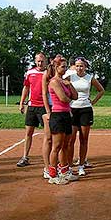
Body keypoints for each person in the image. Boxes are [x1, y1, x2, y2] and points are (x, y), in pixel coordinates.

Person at [68, 57, 105, 176]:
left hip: (85, 110)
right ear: (74, 66)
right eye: (77, 65)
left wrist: (92, 102)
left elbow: (101, 90)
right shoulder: (70, 77)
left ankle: (81, 165)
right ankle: (68, 166)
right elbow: (61, 86)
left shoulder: (90, 78)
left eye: (81, 66)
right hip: (72, 109)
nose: (79, 68)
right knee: (71, 140)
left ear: (85, 67)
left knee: (83, 139)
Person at [46, 56, 78, 185]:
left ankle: (64, 172)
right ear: (56, 67)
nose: (65, 69)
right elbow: (63, 99)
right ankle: (52, 175)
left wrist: (69, 84)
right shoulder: (54, 82)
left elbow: (75, 96)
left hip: (66, 115)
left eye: (66, 66)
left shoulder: (64, 81)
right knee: (56, 146)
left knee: (66, 145)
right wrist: (69, 97)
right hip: (58, 116)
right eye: (62, 67)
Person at [17, 53, 47, 167]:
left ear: (46, 61)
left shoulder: (48, 73)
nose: (40, 63)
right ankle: (25, 157)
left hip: (44, 106)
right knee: (28, 132)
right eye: (38, 61)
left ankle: (49, 158)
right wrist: (22, 103)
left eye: (42, 61)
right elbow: (26, 88)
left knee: (48, 134)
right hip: (32, 106)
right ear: (35, 61)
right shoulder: (30, 72)